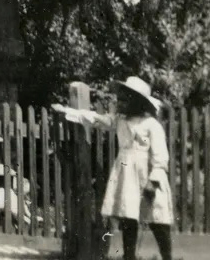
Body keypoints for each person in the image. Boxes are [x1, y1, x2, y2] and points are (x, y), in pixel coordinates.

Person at [54, 76, 173, 260]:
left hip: (147, 177)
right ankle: (129, 256)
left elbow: (161, 157)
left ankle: (167, 256)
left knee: (157, 219)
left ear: (137, 102)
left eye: (125, 100)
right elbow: (95, 119)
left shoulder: (151, 125)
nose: (120, 104)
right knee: (128, 216)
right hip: (127, 176)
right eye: (120, 99)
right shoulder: (120, 121)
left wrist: (154, 180)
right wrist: (67, 111)